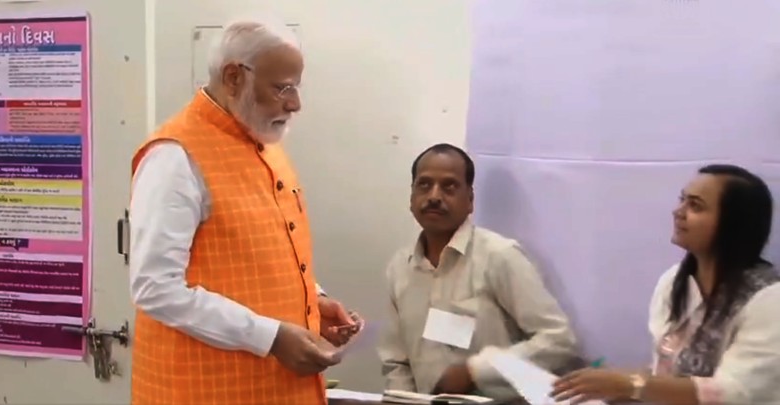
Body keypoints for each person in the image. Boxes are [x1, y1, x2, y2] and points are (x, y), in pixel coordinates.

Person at [127, 16, 362, 405]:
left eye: (296, 88)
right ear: (234, 77)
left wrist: (312, 302)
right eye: (282, 88)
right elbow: (155, 287)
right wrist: (270, 337)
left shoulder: (263, 141)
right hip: (204, 392)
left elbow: (259, 252)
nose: (295, 103)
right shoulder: (175, 157)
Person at [551, 164, 780, 405]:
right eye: (682, 200)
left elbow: (733, 393)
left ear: (734, 224)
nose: (678, 212)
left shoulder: (769, 299)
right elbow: (666, 370)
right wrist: (612, 386)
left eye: (695, 206)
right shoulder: (674, 281)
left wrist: (629, 385)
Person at [377, 143, 579, 400]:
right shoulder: (400, 267)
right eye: (424, 185)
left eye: (449, 187)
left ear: (470, 200)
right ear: (411, 197)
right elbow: (396, 361)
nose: (434, 196)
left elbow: (559, 340)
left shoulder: (498, 256)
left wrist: (476, 370)